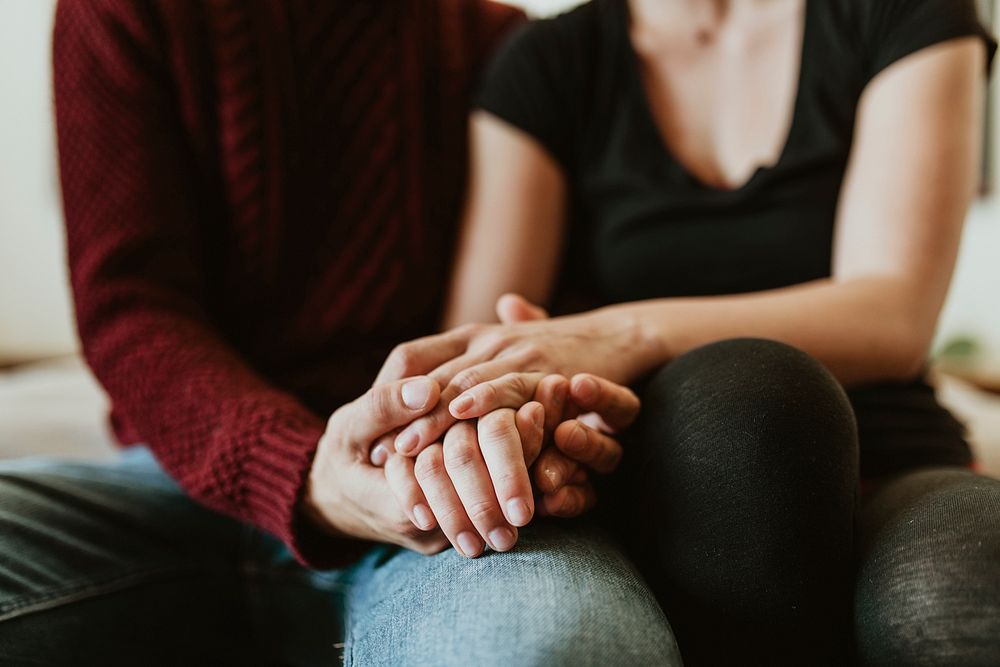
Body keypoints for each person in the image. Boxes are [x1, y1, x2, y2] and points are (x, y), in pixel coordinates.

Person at [0, 1, 683, 665]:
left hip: (435, 492)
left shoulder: (504, 45)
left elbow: (539, 308)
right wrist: (305, 476)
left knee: (563, 650)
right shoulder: (124, 13)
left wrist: (534, 423)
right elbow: (130, 311)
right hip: (177, 480)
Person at [369, 0, 1000, 664]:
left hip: (890, 459)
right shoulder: (549, 65)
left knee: (959, 593)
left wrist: (623, 334)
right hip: (661, 488)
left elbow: (893, 315)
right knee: (744, 412)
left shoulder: (898, 14)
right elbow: (483, 349)